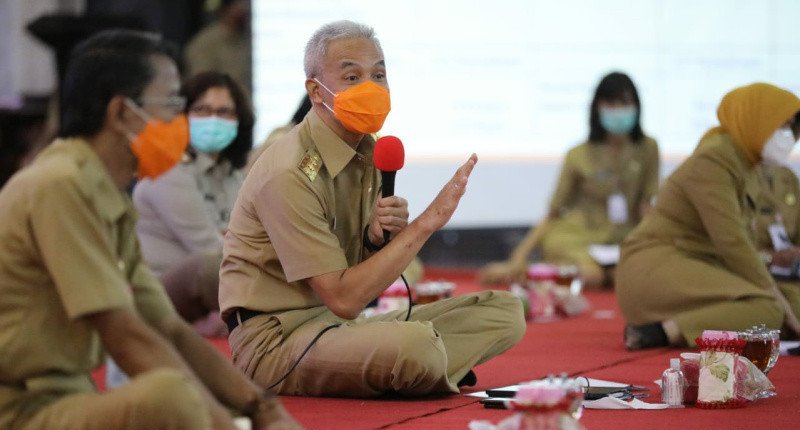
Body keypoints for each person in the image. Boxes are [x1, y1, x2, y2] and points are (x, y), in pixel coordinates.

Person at [0, 30, 313, 430]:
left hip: (71, 402)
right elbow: (124, 336)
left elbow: (167, 328)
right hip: (19, 424)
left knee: (191, 398)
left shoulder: (106, 190)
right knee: (169, 399)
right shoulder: (58, 184)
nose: (182, 121)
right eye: (171, 103)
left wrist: (263, 410)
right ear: (123, 113)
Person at [219, 20, 525, 398]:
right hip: (276, 341)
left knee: (504, 311)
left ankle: (414, 369)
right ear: (316, 91)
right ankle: (417, 366)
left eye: (379, 74)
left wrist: (373, 238)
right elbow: (345, 299)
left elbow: (354, 279)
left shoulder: (369, 149)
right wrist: (425, 224)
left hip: (335, 325)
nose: (371, 87)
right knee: (417, 346)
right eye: (352, 76)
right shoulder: (288, 171)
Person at [616, 82, 800, 350]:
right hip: (656, 267)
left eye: (791, 126)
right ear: (755, 119)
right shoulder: (714, 159)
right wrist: (778, 301)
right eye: (780, 125)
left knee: (793, 301)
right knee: (769, 309)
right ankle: (663, 331)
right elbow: (733, 243)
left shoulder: (749, 164)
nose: (787, 135)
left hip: (701, 264)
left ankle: (705, 322)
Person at [479, 72, 660, 289]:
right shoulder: (577, 154)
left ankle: (547, 272)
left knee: (627, 275)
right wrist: (518, 258)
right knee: (591, 276)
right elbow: (553, 213)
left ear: (637, 106)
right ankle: (529, 272)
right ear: (598, 107)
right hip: (578, 239)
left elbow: (646, 207)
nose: (620, 110)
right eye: (612, 103)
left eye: (626, 103)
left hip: (624, 240)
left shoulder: (648, 149)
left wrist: (658, 247)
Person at [133, 71, 253, 335]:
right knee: (215, 266)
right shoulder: (169, 169)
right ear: (183, 115)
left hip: (215, 291)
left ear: (239, 121)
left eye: (224, 112)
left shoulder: (232, 173)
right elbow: (212, 248)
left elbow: (245, 239)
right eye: (202, 110)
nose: (213, 120)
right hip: (161, 294)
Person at [750, 162, 800, 316]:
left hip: (790, 275)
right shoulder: (734, 178)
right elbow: (727, 249)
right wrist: (770, 258)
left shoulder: (786, 176)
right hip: (752, 278)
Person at [184, 0, 251, 95]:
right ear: (227, 9)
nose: (247, 9)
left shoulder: (249, 40)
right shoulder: (206, 44)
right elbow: (201, 86)